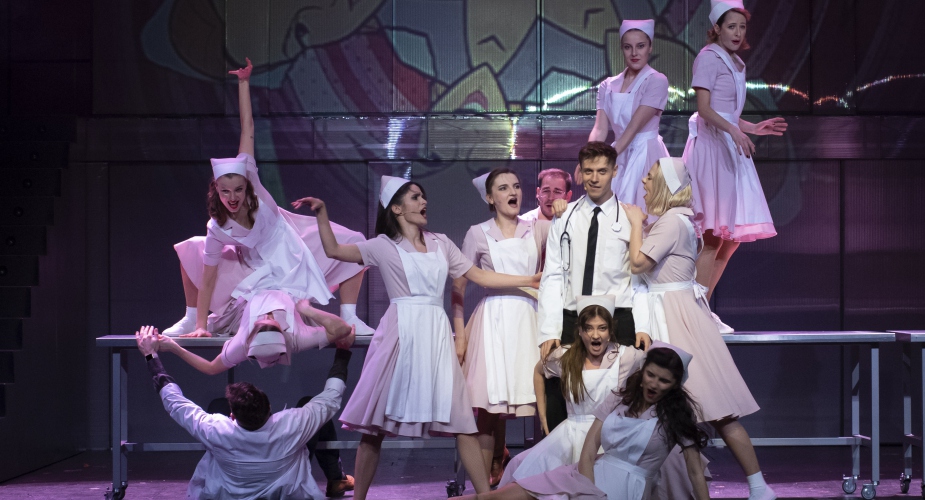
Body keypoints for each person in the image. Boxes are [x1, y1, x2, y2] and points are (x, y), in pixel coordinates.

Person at [292, 176, 542, 499]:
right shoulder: (383, 245)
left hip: (436, 335)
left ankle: (485, 496)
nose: (424, 201)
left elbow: (478, 275)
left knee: (463, 423)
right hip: (400, 336)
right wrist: (322, 212)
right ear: (396, 208)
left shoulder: (441, 243)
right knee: (374, 429)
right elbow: (334, 250)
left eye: (423, 196)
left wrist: (528, 280)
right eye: (415, 197)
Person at [161, 57, 374, 338]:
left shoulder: (250, 176)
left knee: (355, 241)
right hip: (251, 264)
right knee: (190, 247)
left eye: (238, 190)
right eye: (225, 192)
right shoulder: (217, 227)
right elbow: (209, 277)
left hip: (291, 243)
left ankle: (350, 317)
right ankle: (190, 318)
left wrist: (244, 83)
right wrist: (201, 326)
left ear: (246, 186)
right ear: (216, 191)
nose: (233, 197)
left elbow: (247, 127)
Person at [623, 156, 774, 500]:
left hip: (676, 317)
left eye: (650, 177)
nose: (644, 182)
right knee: (679, 413)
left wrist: (634, 223)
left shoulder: (671, 223)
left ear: (666, 185)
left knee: (716, 408)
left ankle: (758, 487)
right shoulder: (676, 220)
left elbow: (637, 263)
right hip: (671, 311)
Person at [458, 343, 711, 500]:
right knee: (502, 496)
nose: (654, 384)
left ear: (675, 384)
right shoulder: (620, 397)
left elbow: (694, 472)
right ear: (642, 371)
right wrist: (587, 489)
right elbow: (589, 449)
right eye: (651, 375)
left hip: (627, 488)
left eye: (663, 381)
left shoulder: (678, 415)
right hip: (588, 473)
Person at [134, 325, 354, 499]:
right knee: (313, 406)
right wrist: (343, 351)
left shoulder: (217, 430)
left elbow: (174, 401)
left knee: (216, 407)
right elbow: (332, 396)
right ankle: (336, 478)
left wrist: (150, 355)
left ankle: (337, 479)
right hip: (285, 494)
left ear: (232, 416)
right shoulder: (292, 425)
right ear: (270, 409)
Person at [682, 1, 787, 332]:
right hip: (712, 148)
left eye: (742, 27)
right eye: (731, 26)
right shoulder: (708, 57)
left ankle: (703, 305)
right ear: (717, 28)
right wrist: (734, 131)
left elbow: (727, 112)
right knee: (713, 235)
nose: (738, 32)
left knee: (731, 239)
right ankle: (695, 313)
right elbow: (705, 109)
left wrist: (754, 128)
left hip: (729, 145)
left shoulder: (736, 61)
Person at [537, 141, 652, 433]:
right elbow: (552, 275)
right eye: (588, 171)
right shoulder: (565, 216)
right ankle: (561, 457)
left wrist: (643, 325)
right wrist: (549, 330)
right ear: (580, 172)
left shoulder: (630, 217)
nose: (595, 178)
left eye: (602, 171)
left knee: (624, 396)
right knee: (561, 392)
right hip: (572, 316)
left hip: (619, 316)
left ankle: (615, 457)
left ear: (615, 171)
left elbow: (639, 279)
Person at [454, 168, 550, 485]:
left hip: (529, 318)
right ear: (490, 197)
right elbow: (459, 285)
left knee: (540, 403)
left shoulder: (536, 228)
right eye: (504, 187)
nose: (513, 192)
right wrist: (460, 333)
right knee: (488, 410)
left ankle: (542, 483)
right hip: (493, 321)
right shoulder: (477, 233)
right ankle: (484, 489)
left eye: (517, 186)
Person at [500, 295, 644, 486]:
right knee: (524, 469)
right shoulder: (565, 356)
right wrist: (543, 417)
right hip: (571, 433)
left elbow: (656, 369)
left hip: (609, 434)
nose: (595, 335)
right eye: (589, 328)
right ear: (580, 332)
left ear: (610, 332)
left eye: (602, 328)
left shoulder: (626, 356)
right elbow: (538, 371)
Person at [587, 20, 671, 209]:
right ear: (622, 49)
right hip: (618, 154)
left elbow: (634, 127)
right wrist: (589, 158)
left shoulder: (656, 80)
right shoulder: (607, 85)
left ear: (650, 47)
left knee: (643, 212)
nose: (634, 53)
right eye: (628, 47)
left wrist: (606, 159)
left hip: (646, 155)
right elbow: (600, 129)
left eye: (640, 46)